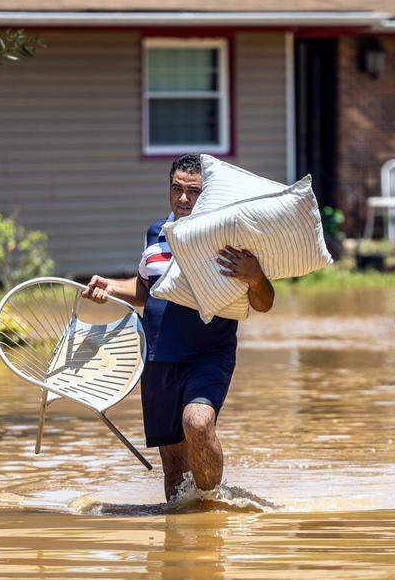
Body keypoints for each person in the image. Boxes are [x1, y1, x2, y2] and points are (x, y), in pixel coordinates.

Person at [82, 154, 274, 500]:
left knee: (198, 424)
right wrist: (109, 287)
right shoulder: (156, 232)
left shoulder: (230, 237)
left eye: (193, 191)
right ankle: (185, 542)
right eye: (176, 189)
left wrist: (256, 276)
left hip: (207, 355)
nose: (183, 199)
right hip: (157, 359)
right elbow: (146, 289)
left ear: (209, 193)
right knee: (173, 467)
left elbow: (264, 303)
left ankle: (214, 505)